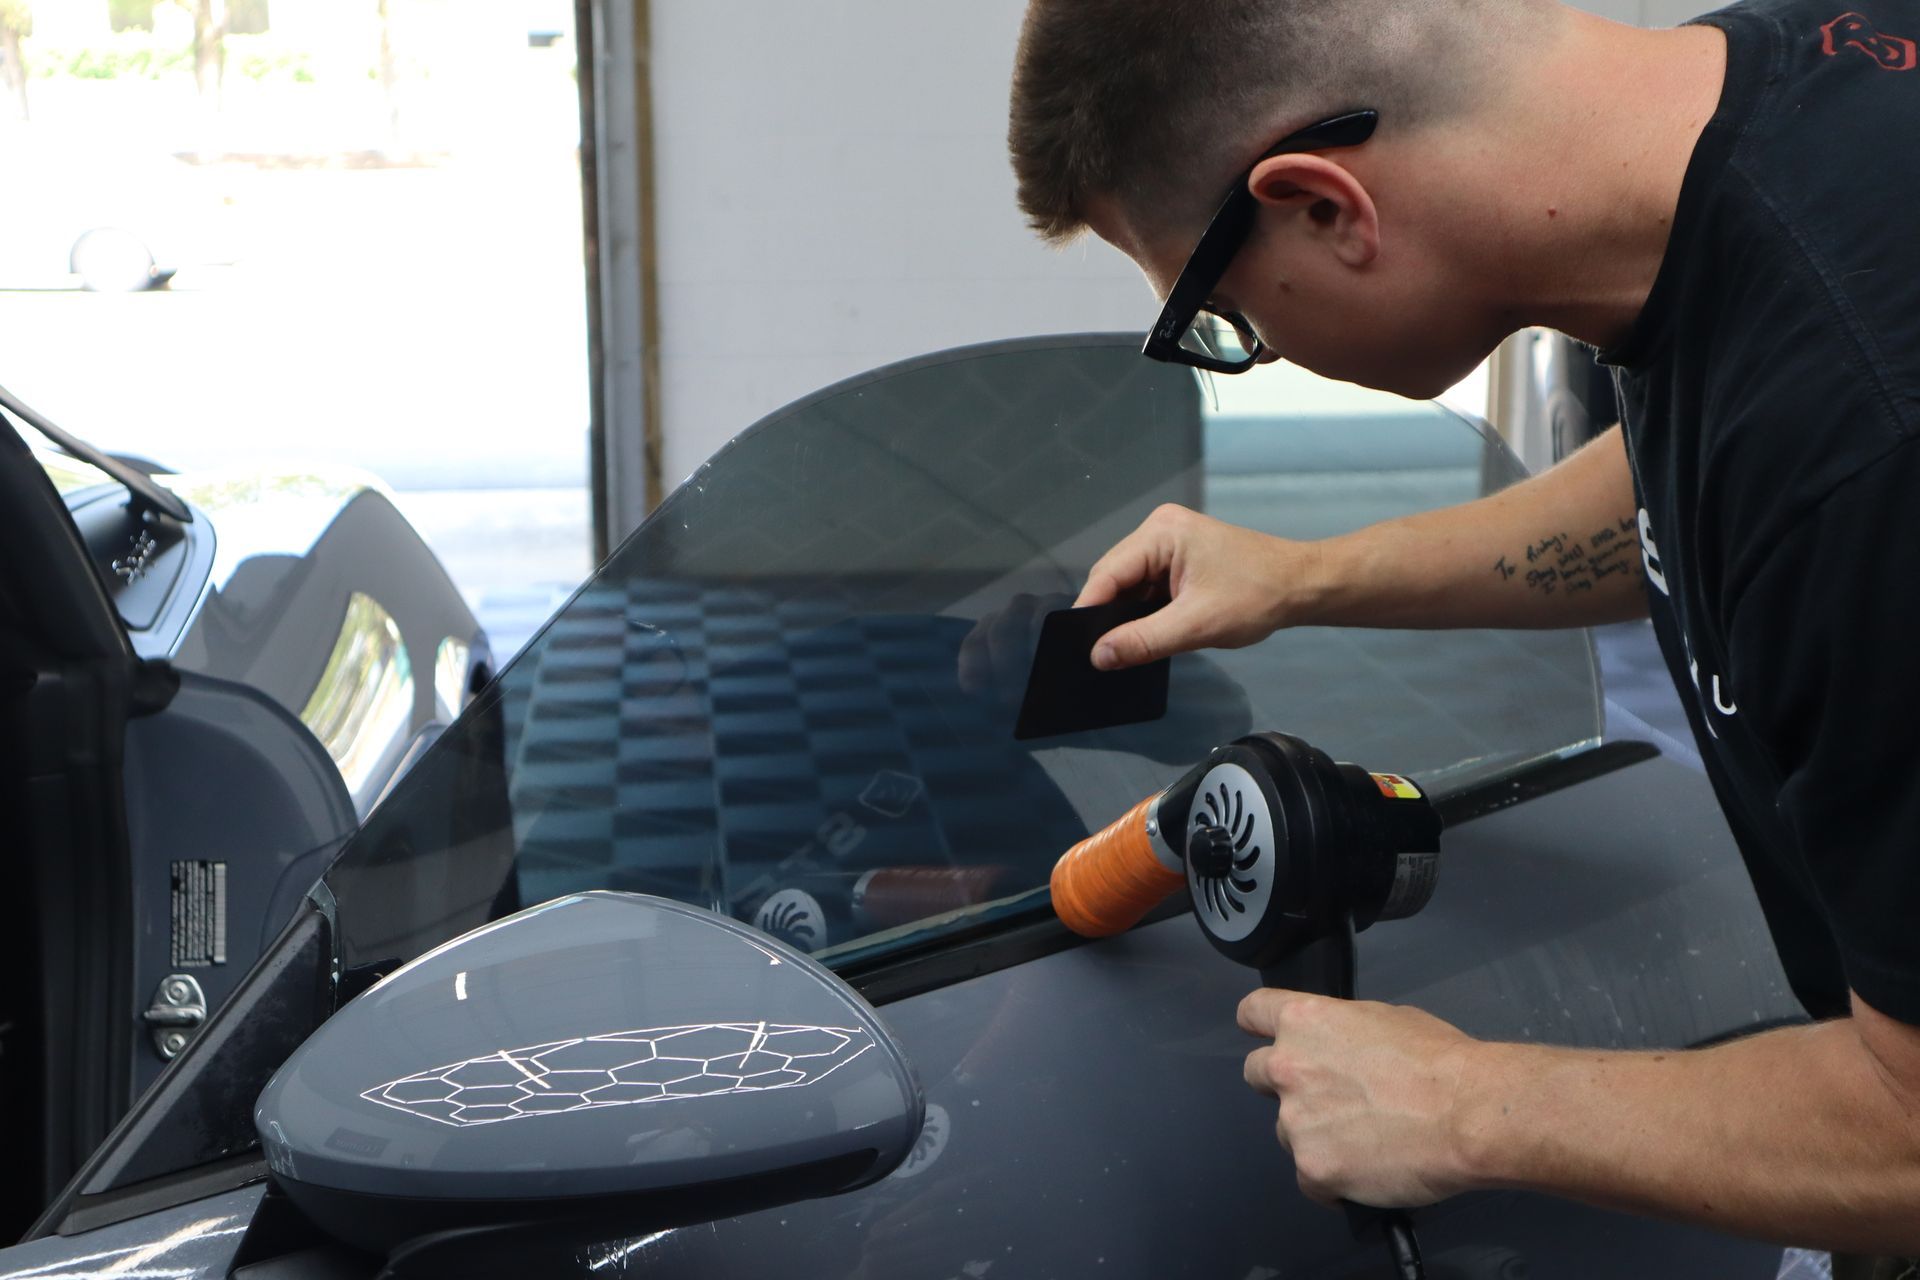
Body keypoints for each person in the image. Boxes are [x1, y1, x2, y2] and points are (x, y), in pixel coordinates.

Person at [1007, 0, 1920, 1269]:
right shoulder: (1767, 111)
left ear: (1325, 204)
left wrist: (1463, 1106)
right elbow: (1699, 475)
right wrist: (1302, 576)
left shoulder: (1871, 440)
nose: (1257, 352)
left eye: (1221, 322)